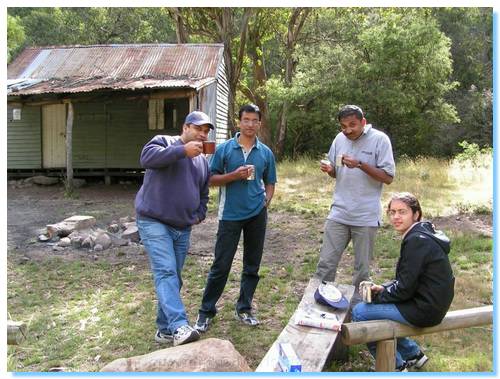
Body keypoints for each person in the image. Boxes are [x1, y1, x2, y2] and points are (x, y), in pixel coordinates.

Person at [194, 104, 277, 333]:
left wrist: (266, 200)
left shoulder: (265, 152)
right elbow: (210, 179)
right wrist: (233, 176)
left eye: (254, 120)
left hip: (257, 215)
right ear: (238, 122)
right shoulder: (225, 149)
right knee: (221, 265)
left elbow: (270, 181)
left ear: (259, 123)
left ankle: (244, 308)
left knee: (252, 265)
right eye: (246, 120)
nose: (250, 124)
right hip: (230, 214)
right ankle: (205, 312)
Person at [352, 192, 455, 371]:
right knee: (373, 310)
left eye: (402, 212)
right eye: (392, 212)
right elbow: (407, 280)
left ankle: (395, 367)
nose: (396, 217)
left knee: (361, 312)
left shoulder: (417, 241)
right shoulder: (422, 233)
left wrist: (378, 298)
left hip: (425, 309)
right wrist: (382, 288)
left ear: (416, 214)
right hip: (432, 304)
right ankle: (414, 354)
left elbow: (405, 289)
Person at [135, 110, 213, 347]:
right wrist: (182, 150)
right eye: (198, 129)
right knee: (166, 272)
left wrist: (198, 215)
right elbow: (146, 159)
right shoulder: (163, 142)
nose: (202, 134)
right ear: (186, 127)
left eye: (206, 131)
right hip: (153, 221)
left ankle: (164, 330)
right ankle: (179, 326)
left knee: (173, 277)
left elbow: (204, 194)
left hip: (182, 227)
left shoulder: (202, 162)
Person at [315, 104, 395, 296]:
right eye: (343, 126)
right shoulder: (339, 139)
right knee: (325, 264)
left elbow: (388, 177)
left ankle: (359, 312)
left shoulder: (380, 140)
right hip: (339, 212)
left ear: (363, 122)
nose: (348, 130)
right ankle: (318, 305)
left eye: (352, 125)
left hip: (366, 216)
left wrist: (360, 164)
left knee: (362, 271)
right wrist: (330, 170)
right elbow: (337, 172)